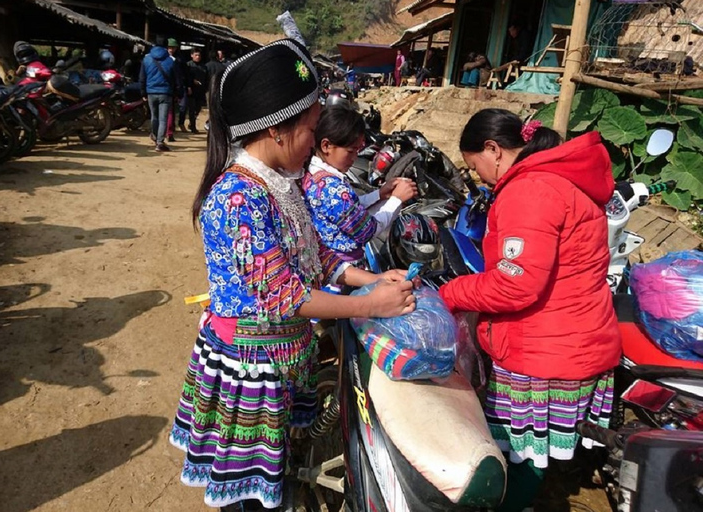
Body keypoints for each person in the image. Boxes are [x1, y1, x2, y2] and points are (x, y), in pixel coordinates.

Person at [170, 39, 415, 512]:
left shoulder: (283, 182)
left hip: (283, 358)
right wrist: (370, 305)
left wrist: (371, 281)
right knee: (251, 497)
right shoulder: (239, 197)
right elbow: (284, 296)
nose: (314, 142)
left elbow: (315, 254)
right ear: (277, 131)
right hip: (251, 369)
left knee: (275, 474)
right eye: (308, 129)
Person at [438, 109, 621, 512]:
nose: (480, 177)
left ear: (493, 150)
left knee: (523, 459)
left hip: (543, 352)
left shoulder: (530, 191)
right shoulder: (564, 181)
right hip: (577, 339)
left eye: (475, 166)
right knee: (534, 456)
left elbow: (514, 283)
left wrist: (452, 293)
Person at [303, 106, 417, 263]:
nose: (354, 157)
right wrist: (396, 200)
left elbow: (350, 208)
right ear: (326, 146)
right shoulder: (331, 188)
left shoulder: (314, 175)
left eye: (357, 151)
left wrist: (380, 194)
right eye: (351, 151)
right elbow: (367, 231)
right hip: (341, 269)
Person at [140, 41, 180, 152]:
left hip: (151, 92)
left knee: (154, 116)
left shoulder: (146, 59)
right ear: (166, 47)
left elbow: (142, 78)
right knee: (163, 119)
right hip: (165, 93)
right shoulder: (171, 61)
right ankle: (160, 142)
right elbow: (177, 79)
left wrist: (143, 92)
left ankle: (154, 135)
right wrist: (178, 93)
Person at [186, 47, 208, 134]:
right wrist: (191, 82)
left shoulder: (204, 66)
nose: (198, 57)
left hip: (200, 91)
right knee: (191, 109)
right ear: (192, 55)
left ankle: (192, 123)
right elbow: (185, 77)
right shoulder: (188, 65)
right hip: (191, 91)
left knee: (197, 109)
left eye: (199, 55)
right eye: (196, 55)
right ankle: (193, 126)